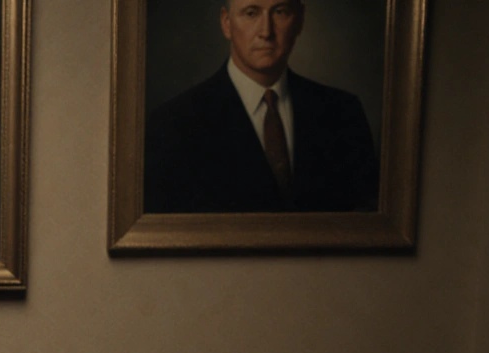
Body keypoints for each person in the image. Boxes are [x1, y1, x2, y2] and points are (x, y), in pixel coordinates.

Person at [143, 0, 379, 214]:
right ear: (227, 24)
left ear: (300, 20)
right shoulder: (173, 123)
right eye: (251, 13)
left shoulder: (344, 113)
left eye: (280, 11)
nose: (266, 32)